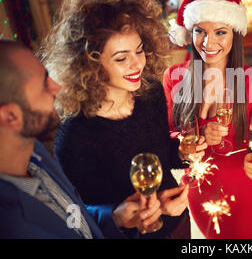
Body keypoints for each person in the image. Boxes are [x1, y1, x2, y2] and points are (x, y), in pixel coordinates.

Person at [40, 0, 205, 239]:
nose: (138, 63)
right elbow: (79, 217)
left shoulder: (150, 92)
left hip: (178, 222)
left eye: (139, 50)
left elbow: (164, 156)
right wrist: (120, 214)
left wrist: (182, 152)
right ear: (89, 64)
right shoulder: (74, 138)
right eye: (121, 58)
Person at [0, 39, 161, 238]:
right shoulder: (11, 226)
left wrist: (114, 218)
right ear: (10, 116)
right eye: (43, 84)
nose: (56, 87)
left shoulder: (34, 153)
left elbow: (72, 218)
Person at [164, 0, 252, 238]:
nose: (208, 42)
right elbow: (170, 136)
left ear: (235, 34)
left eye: (220, 32)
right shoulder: (174, 77)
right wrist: (184, 146)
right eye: (199, 31)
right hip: (197, 191)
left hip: (243, 195)